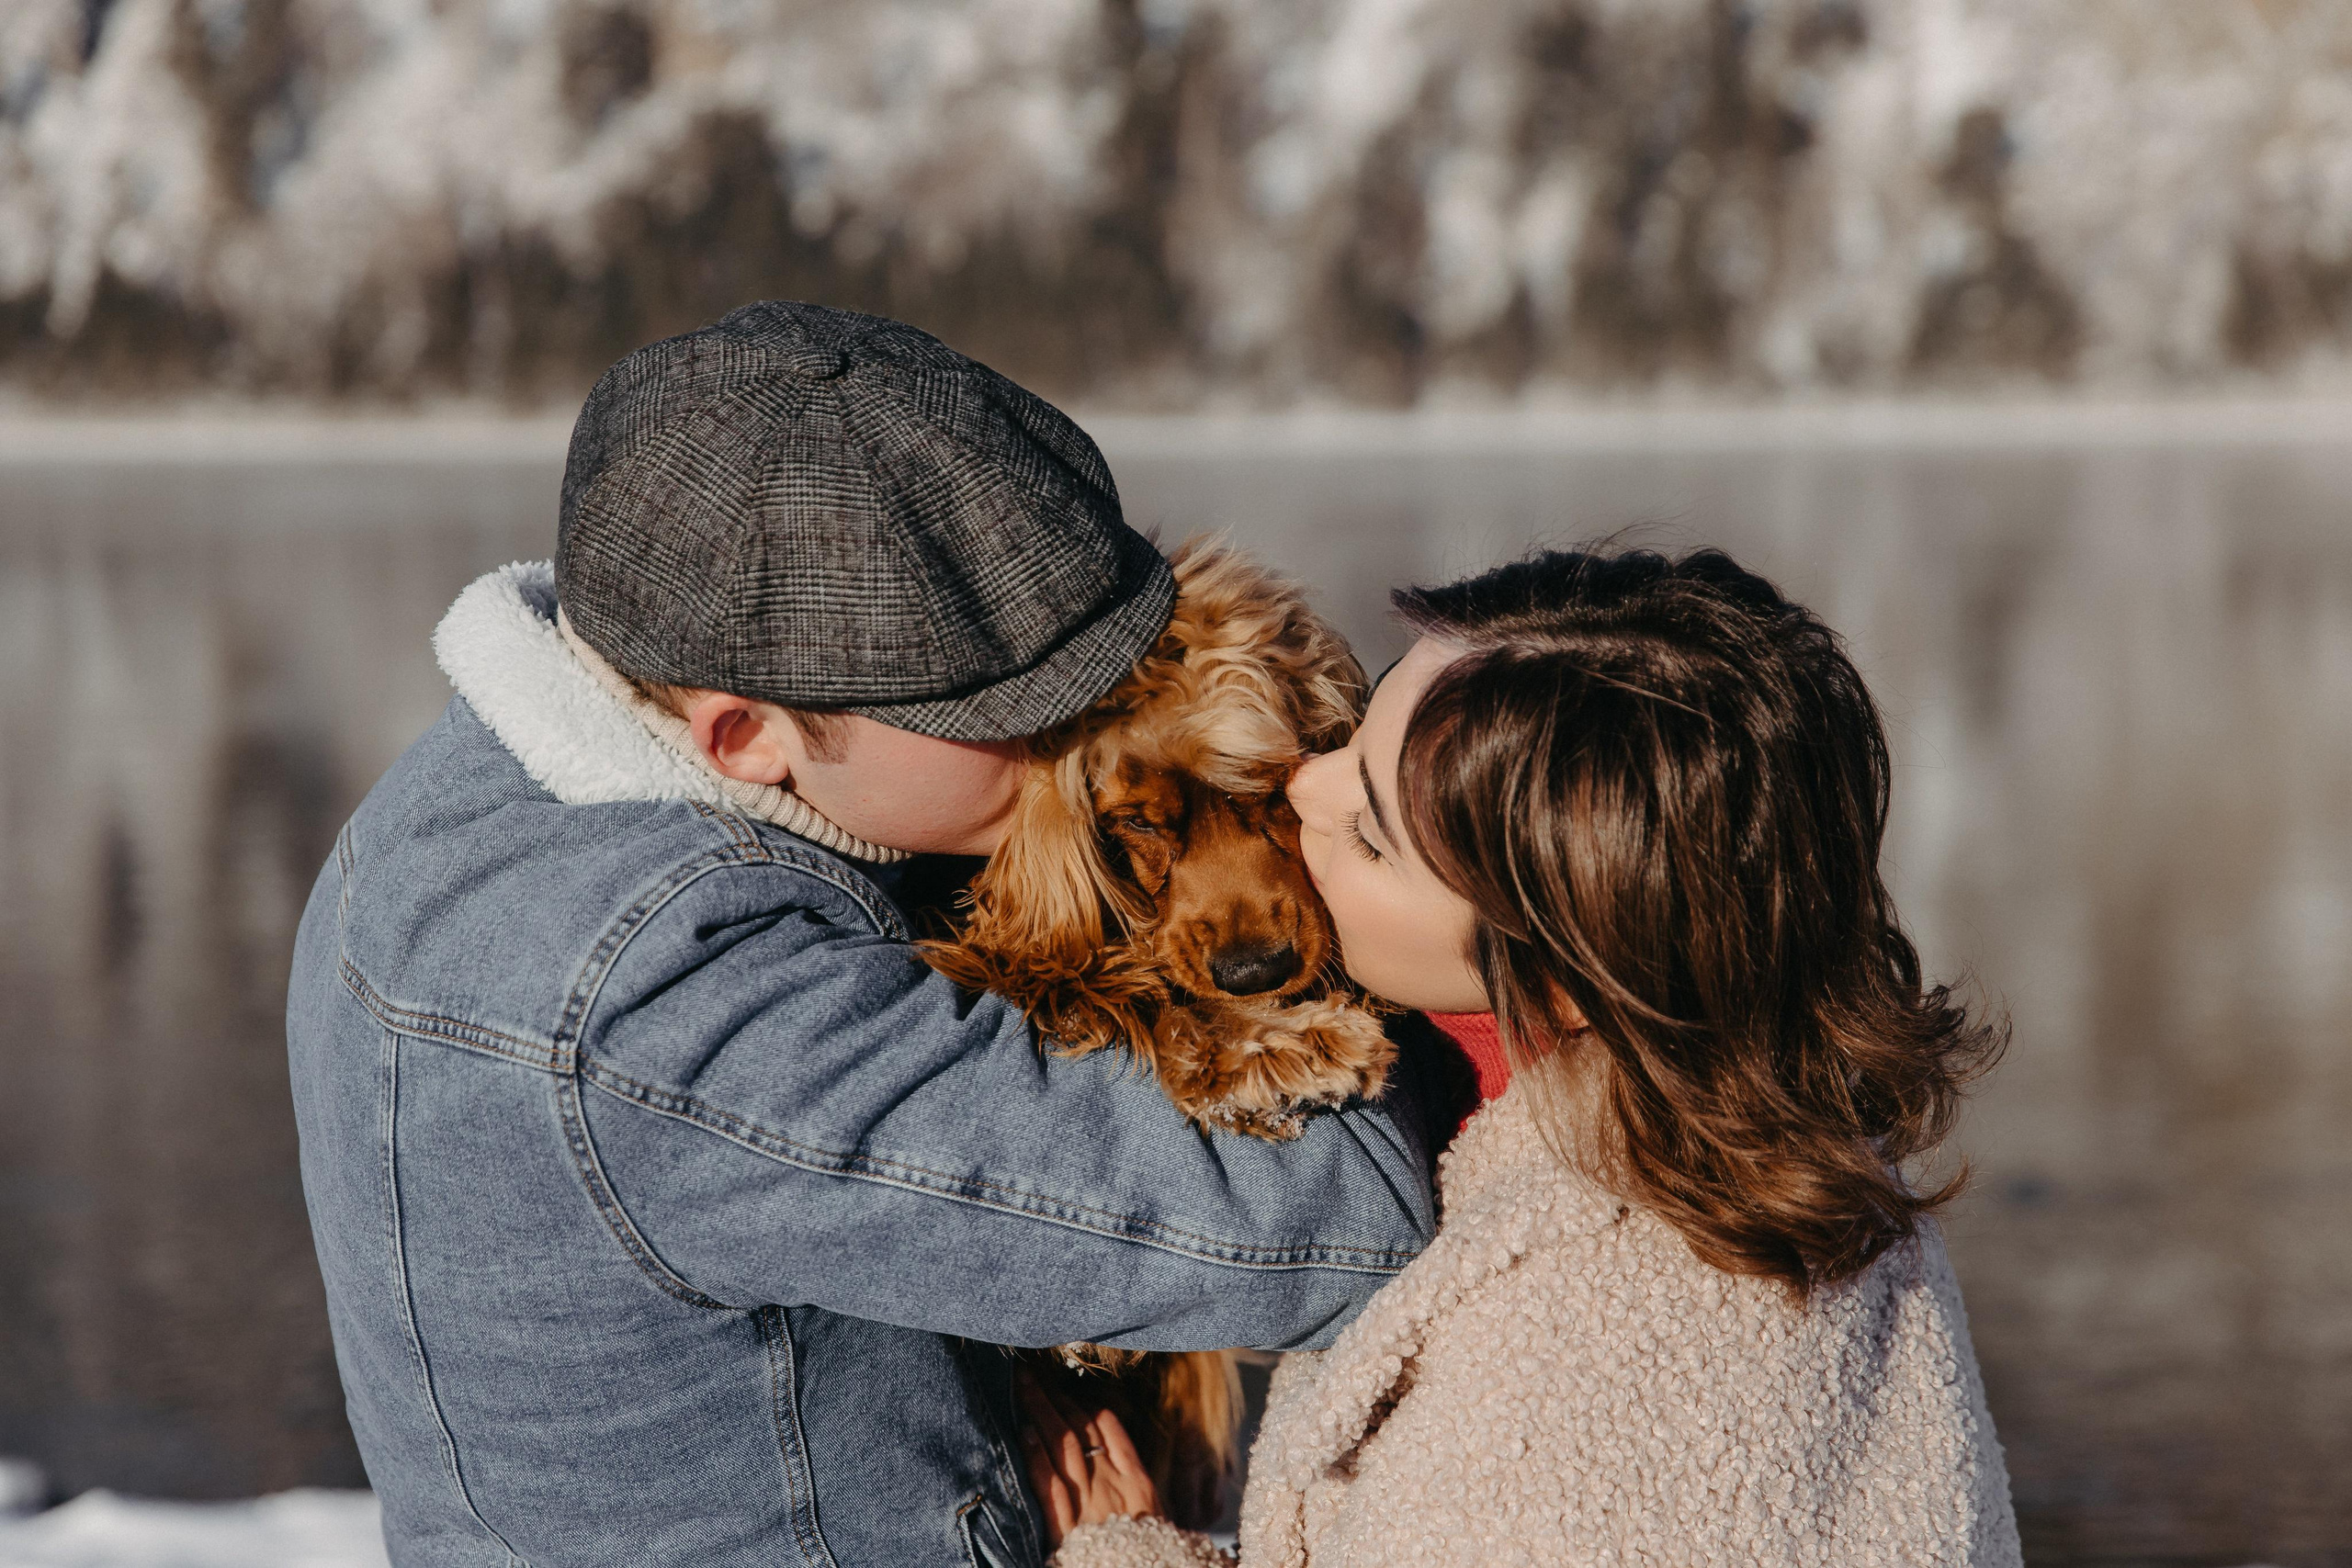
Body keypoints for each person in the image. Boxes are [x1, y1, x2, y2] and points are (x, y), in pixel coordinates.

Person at [285, 302, 1442, 1568]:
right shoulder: (681, 999)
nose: (1093, 725)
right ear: (745, 734)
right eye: (1019, 707)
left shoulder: (467, 785)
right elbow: (1340, 1223)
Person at [1035, 547, 2024, 1566]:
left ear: (1561, 972)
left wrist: (1124, 1550)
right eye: (1357, 732)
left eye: (1370, 832)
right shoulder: (1744, 1104)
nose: (1303, 783)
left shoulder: (1591, 1338)